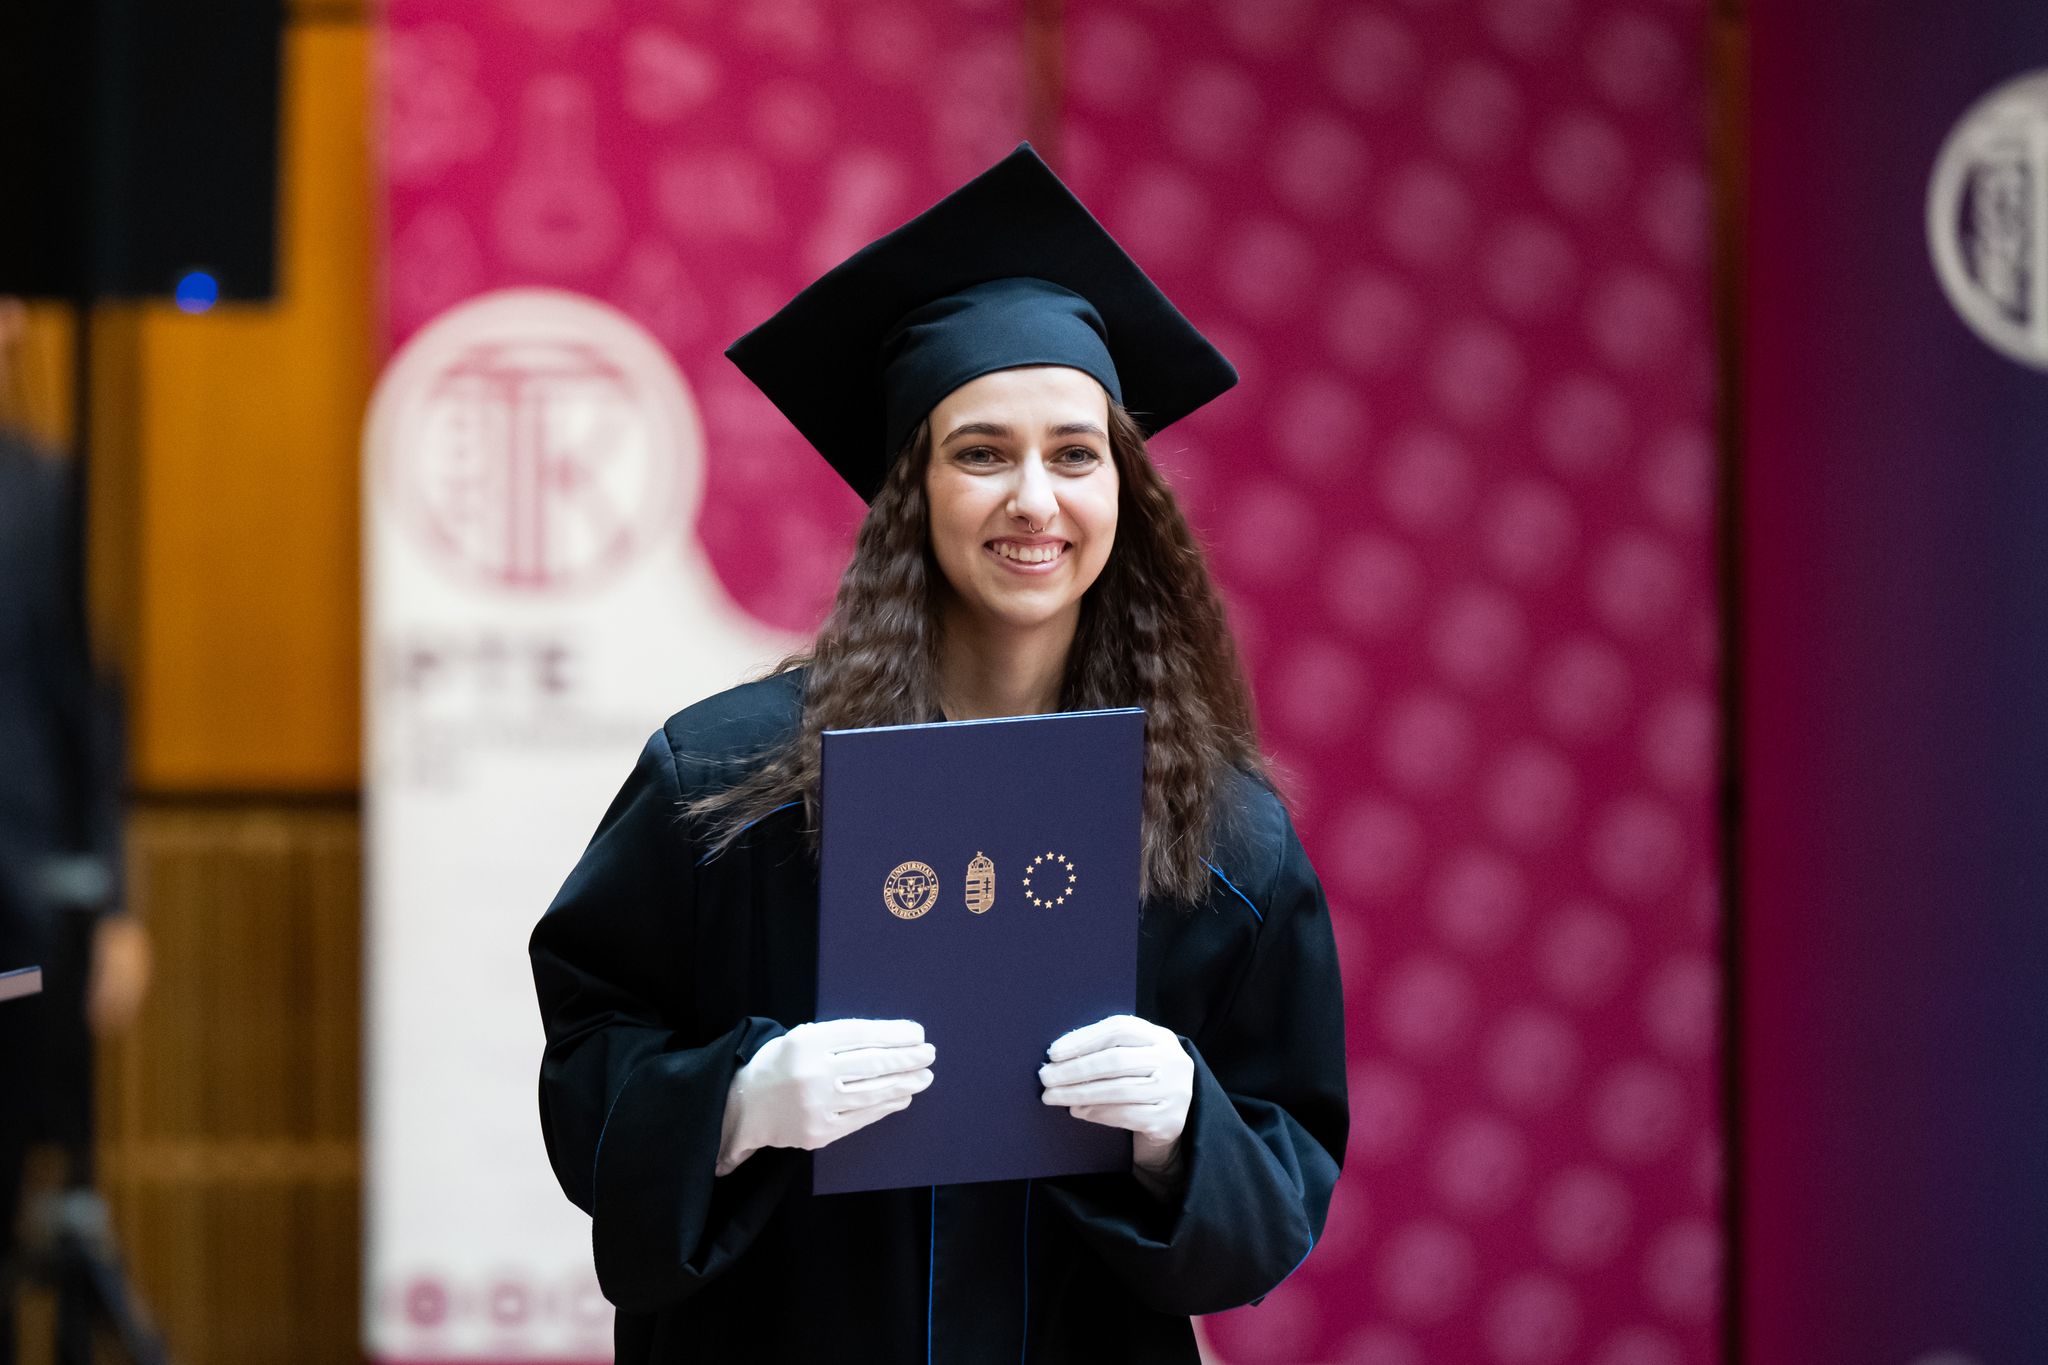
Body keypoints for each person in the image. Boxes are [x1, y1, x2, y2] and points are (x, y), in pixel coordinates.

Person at [529, 144, 1348, 1364]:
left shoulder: (1214, 831)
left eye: (1074, 454)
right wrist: (736, 1102)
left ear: (1122, 491)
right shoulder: (726, 785)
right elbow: (592, 1049)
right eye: (980, 453)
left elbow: (1282, 1170)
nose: (1035, 499)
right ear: (908, 493)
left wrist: (1185, 1132)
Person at [0, 299, 150, 1365]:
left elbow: (80, 710)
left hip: (10, 939)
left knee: (9, 1169)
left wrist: (114, 907)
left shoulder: (42, 493)